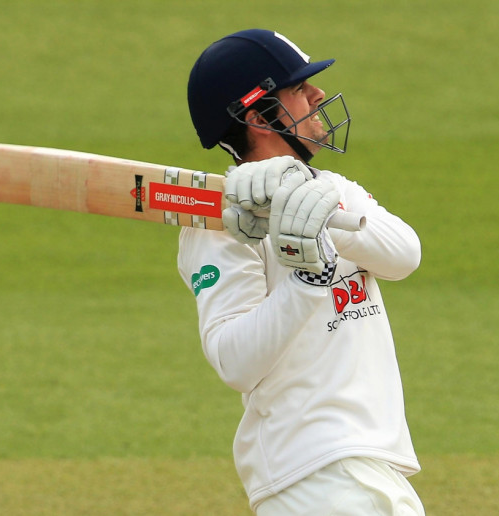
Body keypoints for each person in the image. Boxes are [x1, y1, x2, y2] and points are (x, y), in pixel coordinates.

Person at [178, 29, 424, 515]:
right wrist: (306, 277)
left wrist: (312, 206)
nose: (316, 95)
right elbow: (234, 361)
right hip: (310, 473)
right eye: (298, 88)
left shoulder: (329, 187)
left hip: (371, 463)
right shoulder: (221, 224)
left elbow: (405, 256)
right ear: (258, 116)